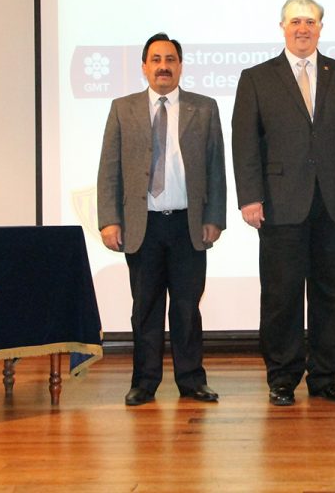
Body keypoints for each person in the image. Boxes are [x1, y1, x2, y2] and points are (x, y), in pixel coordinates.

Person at [232, 0, 335, 406]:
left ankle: (325, 376)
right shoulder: (257, 77)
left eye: (310, 21)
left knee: (330, 292)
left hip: (332, 202)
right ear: (282, 28)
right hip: (278, 203)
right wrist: (250, 197)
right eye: (295, 21)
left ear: (321, 28)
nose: (303, 28)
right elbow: (245, 143)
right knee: (281, 295)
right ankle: (282, 377)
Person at [97, 32, 226, 406]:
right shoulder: (123, 108)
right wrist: (109, 218)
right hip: (143, 225)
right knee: (146, 308)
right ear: (144, 67)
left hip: (188, 224)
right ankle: (144, 382)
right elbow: (109, 169)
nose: (163, 66)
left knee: (187, 308)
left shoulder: (204, 108)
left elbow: (216, 167)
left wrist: (214, 216)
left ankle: (191, 381)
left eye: (170, 59)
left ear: (180, 66)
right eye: (155, 59)